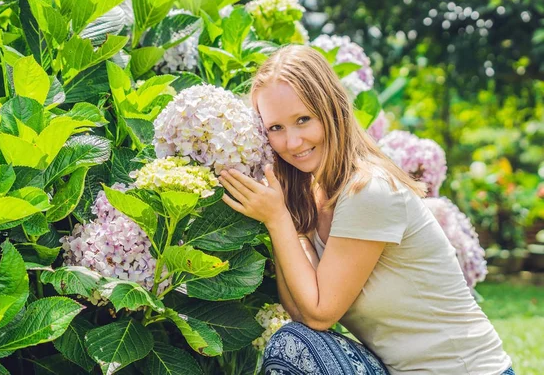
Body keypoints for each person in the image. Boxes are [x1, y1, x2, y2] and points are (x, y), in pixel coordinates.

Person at [217, 45, 513, 375]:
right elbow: (301, 314)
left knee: (291, 345)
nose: (293, 142)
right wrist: (290, 220)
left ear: (331, 112)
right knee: (295, 341)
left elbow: (319, 313)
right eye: (276, 128)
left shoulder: (368, 190)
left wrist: (277, 220)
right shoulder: (316, 193)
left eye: (303, 119)